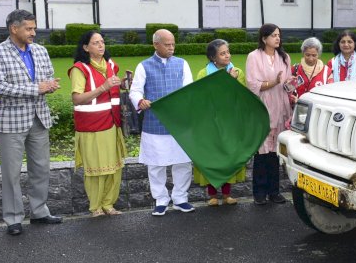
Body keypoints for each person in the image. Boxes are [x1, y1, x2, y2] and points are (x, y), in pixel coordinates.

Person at [0, 9, 63, 236]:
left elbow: (48, 77)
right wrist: (36, 88)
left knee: (41, 169)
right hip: (11, 123)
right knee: (11, 174)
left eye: (34, 28)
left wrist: (50, 86)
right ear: (14, 28)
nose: (33, 32)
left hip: (39, 118)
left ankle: (39, 211)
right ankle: (13, 218)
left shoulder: (40, 51)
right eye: (29, 28)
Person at [129, 29, 195, 216]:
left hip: (179, 123)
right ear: (156, 45)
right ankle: (160, 199)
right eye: (167, 45)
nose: (172, 48)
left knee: (183, 163)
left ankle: (181, 198)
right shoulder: (144, 66)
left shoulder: (182, 64)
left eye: (173, 44)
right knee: (155, 164)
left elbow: (188, 90)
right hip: (154, 123)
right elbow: (135, 91)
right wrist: (140, 101)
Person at [68, 31, 127, 217]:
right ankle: (96, 207)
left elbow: (113, 89)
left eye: (102, 42)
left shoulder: (110, 65)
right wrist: (104, 87)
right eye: (95, 43)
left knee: (114, 167)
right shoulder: (80, 69)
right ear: (86, 48)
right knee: (96, 170)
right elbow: (77, 99)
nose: (101, 46)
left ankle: (109, 204)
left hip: (112, 123)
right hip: (92, 126)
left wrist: (123, 83)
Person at [193, 39, 247, 206]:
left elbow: (240, 97)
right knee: (212, 157)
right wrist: (226, 81)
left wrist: (232, 81)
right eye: (222, 53)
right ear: (212, 57)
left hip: (230, 122)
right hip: (210, 122)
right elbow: (204, 98)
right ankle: (212, 195)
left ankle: (227, 194)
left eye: (228, 52)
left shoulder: (237, 72)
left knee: (228, 157)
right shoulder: (203, 74)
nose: (227, 55)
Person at [246, 23, 292, 205]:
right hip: (263, 107)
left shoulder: (285, 57)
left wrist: (291, 84)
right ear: (264, 38)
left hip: (280, 106)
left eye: (279, 35)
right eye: (273, 35)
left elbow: (286, 84)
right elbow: (252, 84)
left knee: (275, 153)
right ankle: (259, 193)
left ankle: (274, 192)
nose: (277, 38)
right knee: (262, 152)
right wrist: (273, 82)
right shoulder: (254, 57)